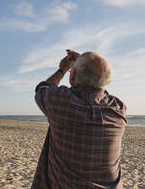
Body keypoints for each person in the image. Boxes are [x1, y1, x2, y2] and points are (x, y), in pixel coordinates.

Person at [32, 50, 127, 189]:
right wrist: (85, 62)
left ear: (73, 76)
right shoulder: (118, 109)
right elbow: (98, 86)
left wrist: (62, 69)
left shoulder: (61, 102)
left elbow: (43, 88)